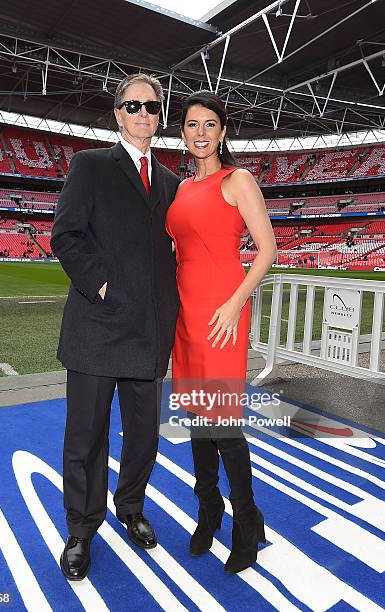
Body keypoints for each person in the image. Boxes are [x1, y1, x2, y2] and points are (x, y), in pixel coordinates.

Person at [51, 73, 180, 581]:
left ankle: (131, 507)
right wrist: (103, 285)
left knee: (144, 435)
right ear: (118, 113)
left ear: (158, 115)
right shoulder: (90, 165)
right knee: (86, 437)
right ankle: (81, 530)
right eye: (133, 105)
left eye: (152, 106)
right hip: (97, 329)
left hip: (148, 333)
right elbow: (67, 235)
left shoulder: (171, 182)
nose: (143, 114)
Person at [166, 91, 277, 574]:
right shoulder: (181, 188)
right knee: (196, 420)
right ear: (183, 132)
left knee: (224, 425)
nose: (201, 133)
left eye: (210, 124)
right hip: (184, 315)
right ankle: (208, 510)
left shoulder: (240, 179)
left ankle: (246, 520)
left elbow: (267, 250)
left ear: (223, 132)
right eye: (192, 124)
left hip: (222, 314)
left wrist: (235, 303)